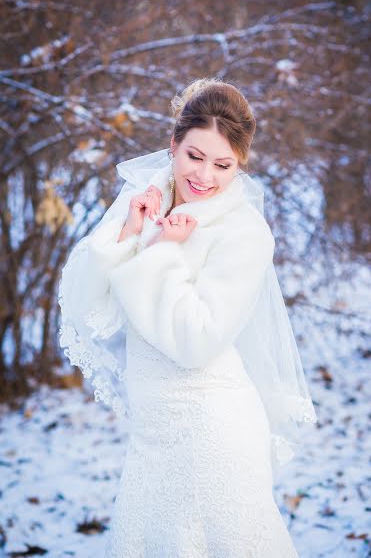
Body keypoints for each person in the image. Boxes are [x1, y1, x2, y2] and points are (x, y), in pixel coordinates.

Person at [58, 77, 318, 557]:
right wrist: (128, 236)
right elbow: (85, 306)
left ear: (240, 165)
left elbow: (198, 340)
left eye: (223, 165)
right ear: (173, 144)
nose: (205, 176)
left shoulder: (245, 233)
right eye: (195, 156)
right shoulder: (149, 199)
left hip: (211, 432)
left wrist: (160, 255)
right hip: (152, 437)